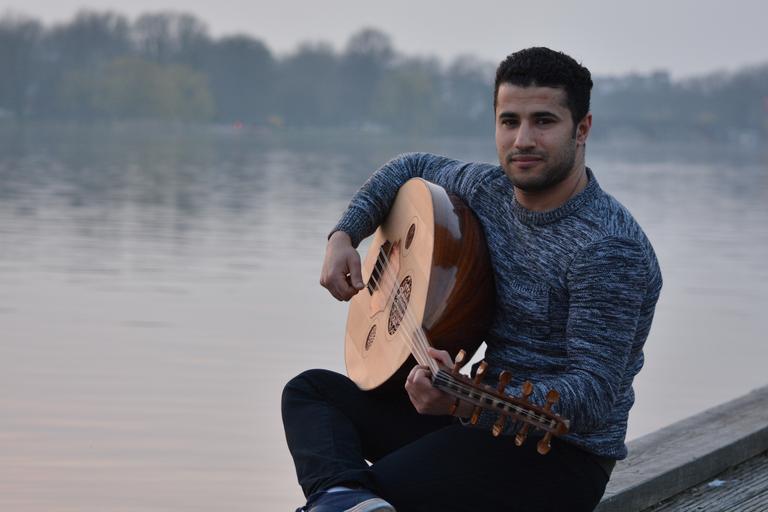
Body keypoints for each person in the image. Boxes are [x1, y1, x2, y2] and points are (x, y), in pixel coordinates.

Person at [282, 47, 663, 512]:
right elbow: (407, 167)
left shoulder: (608, 248)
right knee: (311, 393)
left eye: (543, 121)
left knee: (382, 490)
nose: (522, 139)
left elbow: (591, 396)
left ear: (581, 129)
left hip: (560, 458)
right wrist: (344, 235)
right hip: (475, 420)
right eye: (509, 121)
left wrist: (465, 403)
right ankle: (342, 497)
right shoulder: (487, 190)